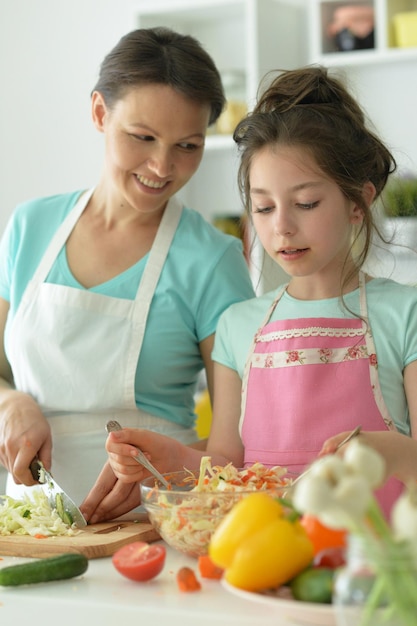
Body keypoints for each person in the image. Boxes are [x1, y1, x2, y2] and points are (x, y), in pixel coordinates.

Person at [98, 65, 417, 523]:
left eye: (306, 203)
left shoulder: (405, 314)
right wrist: (171, 456)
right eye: (263, 207)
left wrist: (389, 451)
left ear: (358, 202)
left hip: (376, 567)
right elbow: (230, 465)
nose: (281, 227)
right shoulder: (238, 325)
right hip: (265, 557)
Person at [0, 27, 255, 513]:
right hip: (30, 526)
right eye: (143, 137)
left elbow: (243, 441)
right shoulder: (30, 227)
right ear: (99, 112)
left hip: (154, 524)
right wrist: (9, 404)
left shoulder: (212, 260)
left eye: (188, 146)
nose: (162, 166)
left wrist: (163, 472)